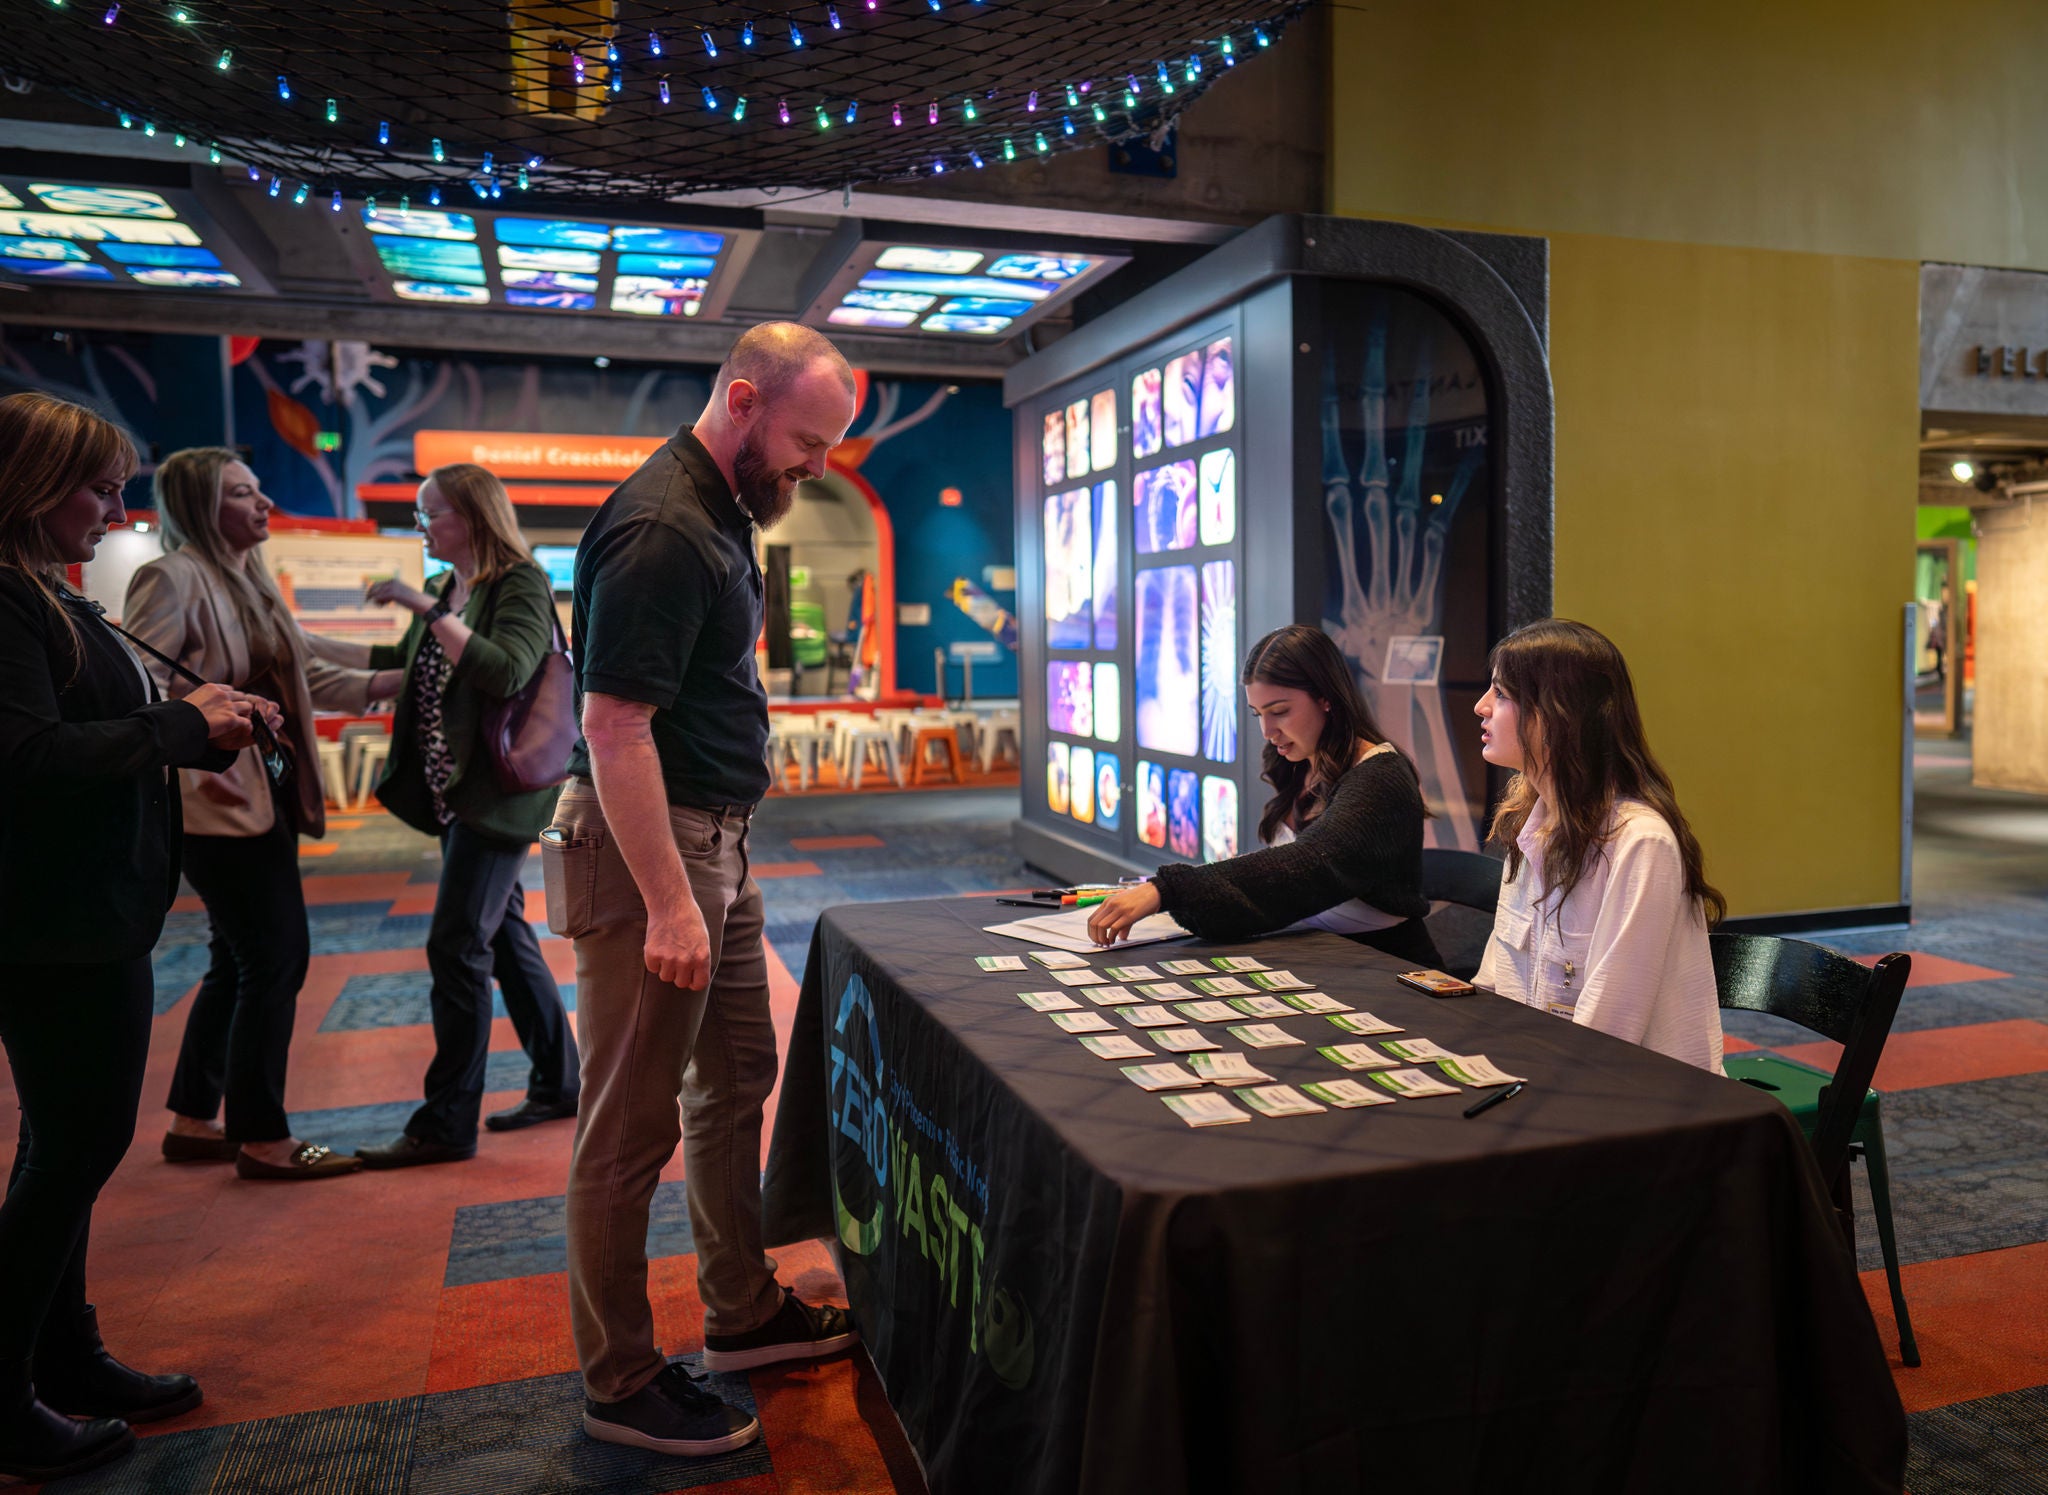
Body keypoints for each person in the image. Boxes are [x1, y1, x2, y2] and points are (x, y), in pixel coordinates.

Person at [550, 323, 860, 1460]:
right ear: (742, 400)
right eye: (805, 443)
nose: (814, 468)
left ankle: (740, 1312)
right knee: (625, 1128)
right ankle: (620, 1382)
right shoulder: (662, 525)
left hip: (711, 840)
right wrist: (674, 900)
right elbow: (612, 724)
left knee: (735, 1074)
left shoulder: (723, 514)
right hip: (655, 856)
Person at [0, 393, 273, 1479]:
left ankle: (61, 1355)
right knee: (73, 1151)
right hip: (53, 924)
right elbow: (25, 761)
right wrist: (178, 726)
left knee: (64, 1149)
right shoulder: (10, 602)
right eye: (100, 486)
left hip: (82, 916)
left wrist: (197, 732)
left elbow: (85, 736)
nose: (117, 508)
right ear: (30, 483)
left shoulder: (40, 595)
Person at [125, 449, 402, 1180]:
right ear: (198, 506)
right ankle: (261, 1135)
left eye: (258, 488)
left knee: (236, 955)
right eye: (242, 493)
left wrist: (408, 677)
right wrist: (217, 715)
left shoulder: (247, 578)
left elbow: (306, 668)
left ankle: (193, 1117)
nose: (265, 502)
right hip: (215, 802)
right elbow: (142, 689)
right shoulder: (174, 575)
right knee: (277, 956)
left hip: (258, 797)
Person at [351, 463, 581, 1167]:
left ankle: (447, 1123)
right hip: (459, 792)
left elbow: (506, 670)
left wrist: (428, 612)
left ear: (474, 515)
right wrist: (300, 651)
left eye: (432, 513)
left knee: (457, 947)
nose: (422, 526)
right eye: (419, 515)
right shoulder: (446, 589)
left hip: (500, 797)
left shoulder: (517, 583)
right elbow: (405, 664)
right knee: (503, 936)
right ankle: (560, 1079)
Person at [1088, 625, 1440, 961]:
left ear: (1326, 698)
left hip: (1383, 963)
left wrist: (1166, 890)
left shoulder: (1382, 777)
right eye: (1258, 713)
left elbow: (1312, 864)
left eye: (1280, 711)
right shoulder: (1300, 760)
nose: (1268, 730)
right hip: (1319, 950)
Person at [1471, 618, 1726, 1072]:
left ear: (1557, 716)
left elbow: (1606, 1035)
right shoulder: (1530, 823)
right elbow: (1494, 986)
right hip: (1546, 1074)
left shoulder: (1640, 842)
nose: (1481, 707)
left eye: (1502, 694)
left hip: (1641, 1103)